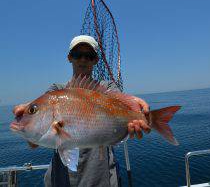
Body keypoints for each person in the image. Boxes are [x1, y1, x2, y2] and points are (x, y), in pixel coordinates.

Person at [13, 35, 151, 187]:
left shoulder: (108, 88)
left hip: (101, 178)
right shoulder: (56, 90)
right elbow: (33, 144)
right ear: (69, 58)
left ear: (95, 60)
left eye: (89, 56)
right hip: (61, 180)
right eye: (77, 55)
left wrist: (135, 109)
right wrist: (26, 124)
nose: (83, 59)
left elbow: (121, 101)